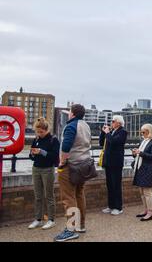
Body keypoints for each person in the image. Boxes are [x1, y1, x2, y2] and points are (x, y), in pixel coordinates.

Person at [54, 104, 92, 242]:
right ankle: (80, 225)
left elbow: (66, 145)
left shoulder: (71, 125)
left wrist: (62, 162)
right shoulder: (86, 125)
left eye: (70, 111)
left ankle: (71, 229)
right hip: (84, 166)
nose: (69, 114)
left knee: (68, 198)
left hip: (71, 166)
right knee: (79, 194)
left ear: (73, 114)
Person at [28, 118, 60, 230]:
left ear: (46, 130)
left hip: (48, 169)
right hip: (36, 168)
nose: (39, 134)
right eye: (37, 131)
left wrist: (41, 152)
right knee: (38, 196)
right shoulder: (36, 139)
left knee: (49, 196)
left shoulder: (53, 140)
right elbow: (30, 156)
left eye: (41, 132)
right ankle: (38, 219)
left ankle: (51, 220)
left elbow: (55, 156)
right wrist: (33, 154)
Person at [99, 115, 128, 216]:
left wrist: (107, 133)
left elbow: (114, 142)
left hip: (116, 163)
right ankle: (111, 205)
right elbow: (101, 143)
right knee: (110, 185)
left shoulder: (123, 132)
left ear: (119, 123)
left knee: (116, 185)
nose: (111, 123)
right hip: (108, 162)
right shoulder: (111, 132)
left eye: (113, 121)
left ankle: (118, 207)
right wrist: (103, 133)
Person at [132, 124, 152, 221]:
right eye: (141, 132)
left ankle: (150, 212)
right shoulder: (143, 141)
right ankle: (145, 209)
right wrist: (135, 153)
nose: (142, 134)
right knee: (141, 191)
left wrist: (140, 153)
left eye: (144, 132)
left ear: (149, 131)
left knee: (147, 191)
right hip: (140, 168)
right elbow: (139, 155)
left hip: (148, 169)